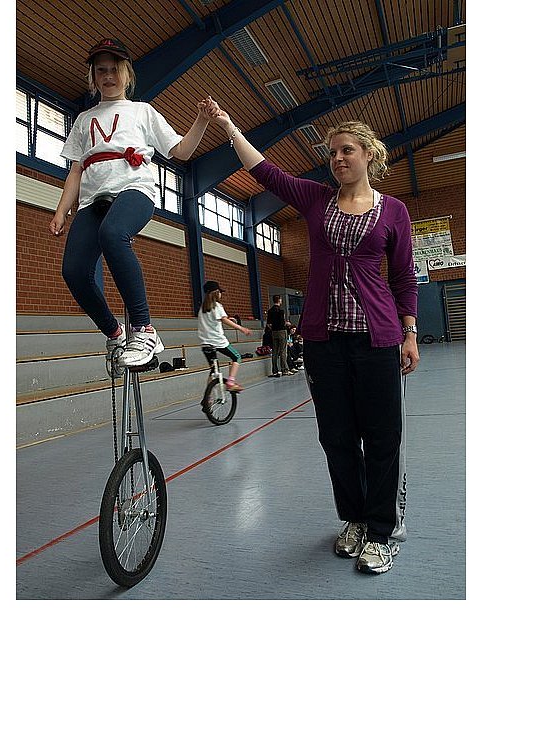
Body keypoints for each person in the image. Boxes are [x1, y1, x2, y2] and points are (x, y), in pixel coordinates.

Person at [212, 107, 419, 575]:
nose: (338, 158)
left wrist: (409, 332)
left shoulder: (394, 211)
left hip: (378, 338)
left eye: (347, 150)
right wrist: (229, 127)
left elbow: (404, 276)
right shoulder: (314, 199)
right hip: (325, 342)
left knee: (383, 437)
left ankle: (381, 531)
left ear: (369, 155)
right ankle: (353, 519)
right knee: (337, 437)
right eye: (332, 152)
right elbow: (265, 170)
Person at [49, 38, 218, 373]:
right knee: (73, 271)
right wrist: (61, 210)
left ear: (126, 74)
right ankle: (115, 332)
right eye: (101, 71)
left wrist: (202, 120)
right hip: (91, 199)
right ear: (93, 77)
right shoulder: (84, 120)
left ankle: (144, 329)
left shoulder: (142, 111)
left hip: (134, 190)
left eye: (114, 69)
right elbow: (76, 170)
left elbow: (181, 151)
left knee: (113, 234)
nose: (108, 76)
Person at [197, 280, 252, 395]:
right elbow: (223, 320)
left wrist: (227, 318)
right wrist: (241, 328)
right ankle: (231, 382)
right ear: (216, 293)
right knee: (236, 357)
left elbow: (216, 319)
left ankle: (208, 398)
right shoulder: (217, 306)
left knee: (213, 371)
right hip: (219, 342)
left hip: (206, 344)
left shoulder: (202, 309)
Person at [266, 294, 291, 377]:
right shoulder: (281, 311)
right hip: (281, 331)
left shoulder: (270, 311)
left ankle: (275, 370)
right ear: (279, 300)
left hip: (274, 332)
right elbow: (283, 322)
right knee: (283, 351)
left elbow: (269, 324)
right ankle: (284, 370)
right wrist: (287, 323)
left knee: (275, 351)